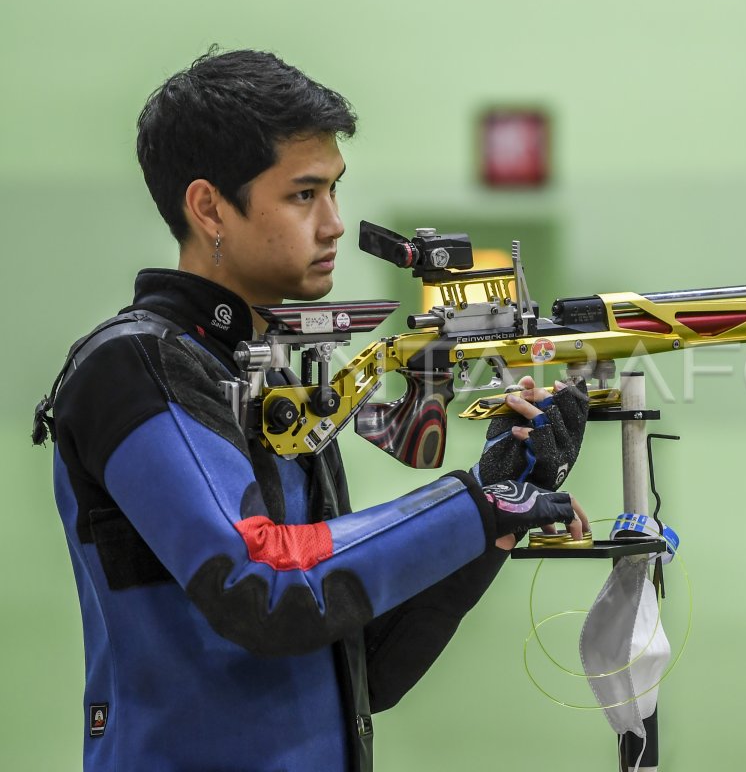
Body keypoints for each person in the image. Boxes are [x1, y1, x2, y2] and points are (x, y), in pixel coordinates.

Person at [33, 48, 590, 772]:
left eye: (334, 191)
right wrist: (476, 507)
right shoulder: (135, 367)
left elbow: (363, 669)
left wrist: (499, 496)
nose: (333, 225)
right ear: (209, 208)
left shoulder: (267, 379)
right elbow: (261, 589)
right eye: (304, 195)